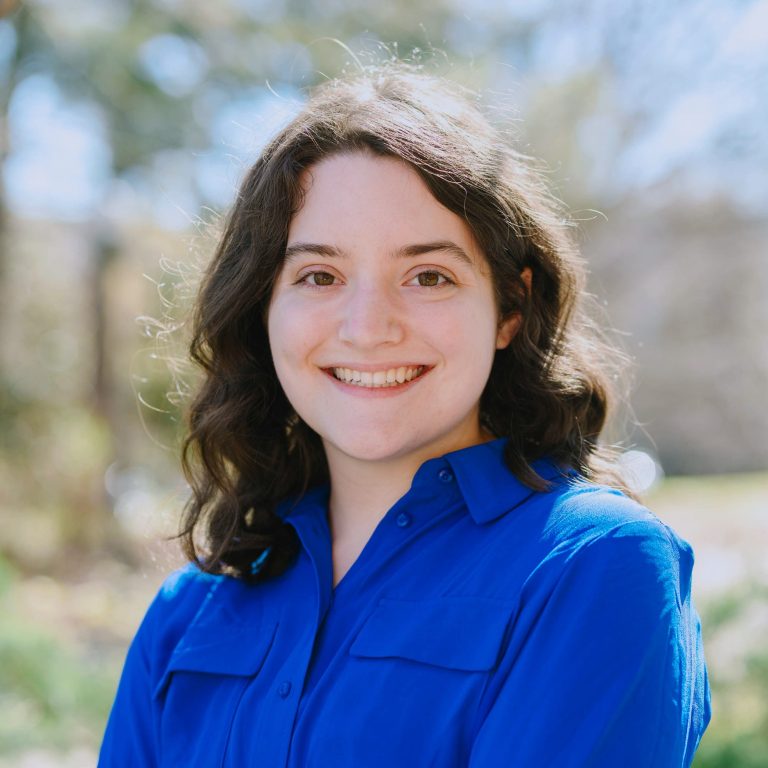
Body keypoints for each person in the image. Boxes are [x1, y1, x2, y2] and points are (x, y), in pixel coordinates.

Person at [99, 63, 710, 767]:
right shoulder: (186, 617)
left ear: (510, 307)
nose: (367, 326)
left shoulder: (593, 566)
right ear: (263, 307)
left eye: (428, 276)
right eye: (319, 276)